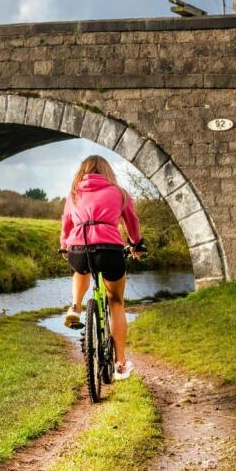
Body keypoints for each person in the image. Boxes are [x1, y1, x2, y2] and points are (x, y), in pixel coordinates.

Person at [58, 155, 146, 380]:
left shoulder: (74, 193)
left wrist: (64, 246)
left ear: (83, 171)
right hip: (110, 251)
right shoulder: (120, 193)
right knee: (116, 302)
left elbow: (66, 223)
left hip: (79, 249)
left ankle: (75, 306)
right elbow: (132, 223)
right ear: (107, 172)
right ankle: (119, 362)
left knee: (81, 269)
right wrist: (136, 244)